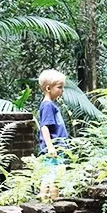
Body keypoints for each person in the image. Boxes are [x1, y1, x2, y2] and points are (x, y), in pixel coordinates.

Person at [37, 69, 69, 199]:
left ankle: (47, 200)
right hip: (54, 148)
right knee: (55, 176)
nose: (62, 90)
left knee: (51, 175)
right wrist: (50, 146)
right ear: (49, 88)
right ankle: (53, 201)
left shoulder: (51, 105)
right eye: (60, 87)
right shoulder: (47, 106)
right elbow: (45, 127)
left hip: (57, 148)